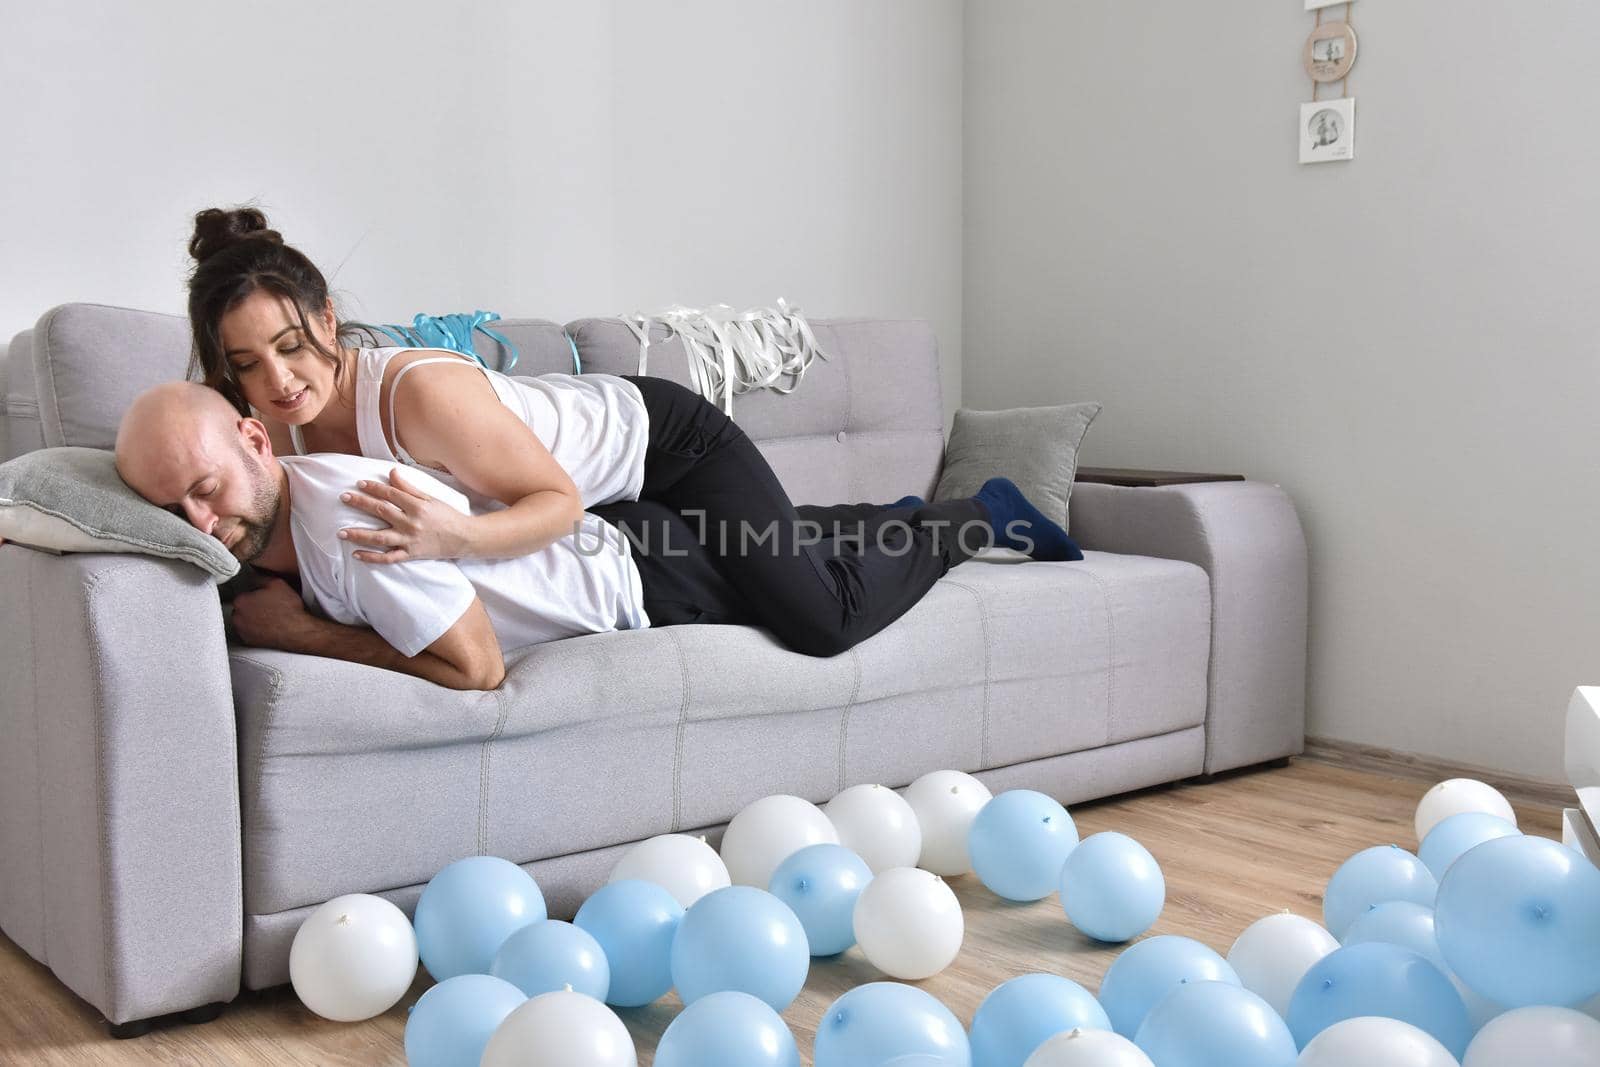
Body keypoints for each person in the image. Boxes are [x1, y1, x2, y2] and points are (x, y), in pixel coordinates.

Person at [184, 206, 1081, 657]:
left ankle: (973, 517)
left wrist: (456, 534)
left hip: (665, 449)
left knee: (820, 619)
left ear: (329, 322)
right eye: (247, 365)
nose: (277, 382)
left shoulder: (416, 395)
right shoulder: (269, 434)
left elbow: (557, 500)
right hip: (615, 512)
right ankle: (859, 517)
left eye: (291, 347)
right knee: (758, 554)